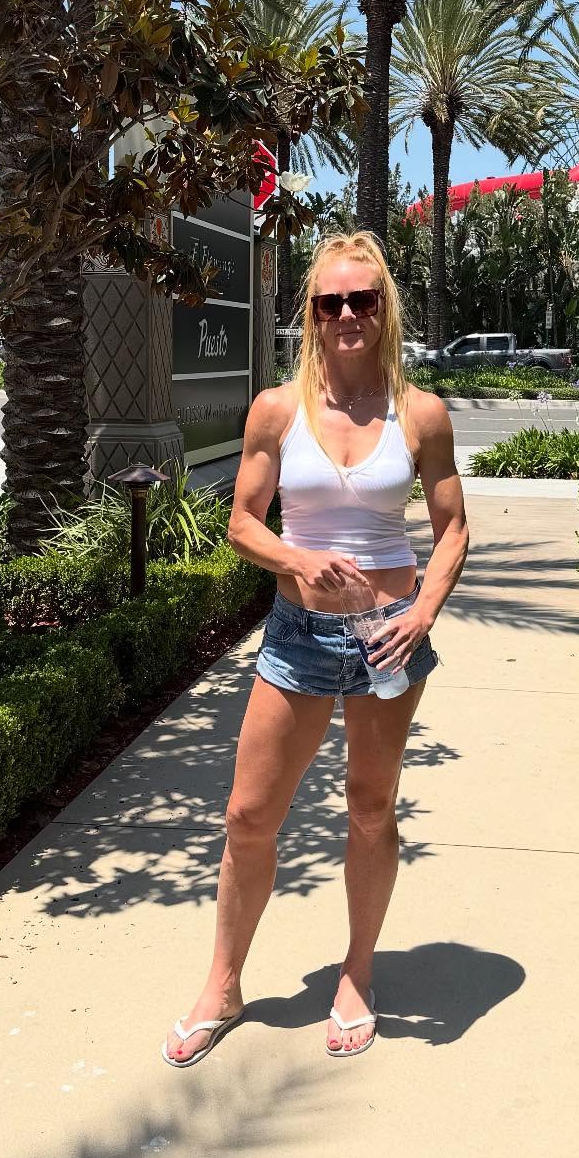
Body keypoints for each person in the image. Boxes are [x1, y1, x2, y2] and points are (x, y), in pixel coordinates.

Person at [162, 230, 469, 1065]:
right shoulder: (276, 408)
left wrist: (422, 614)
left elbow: (452, 530)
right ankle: (223, 984)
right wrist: (297, 560)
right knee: (249, 814)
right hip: (298, 634)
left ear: (384, 307)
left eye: (361, 299)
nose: (345, 314)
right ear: (311, 313)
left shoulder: (420, 413)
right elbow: (241, 524)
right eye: (329, 302)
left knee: (370, 809)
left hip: (387, 637)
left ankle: (357, 973)